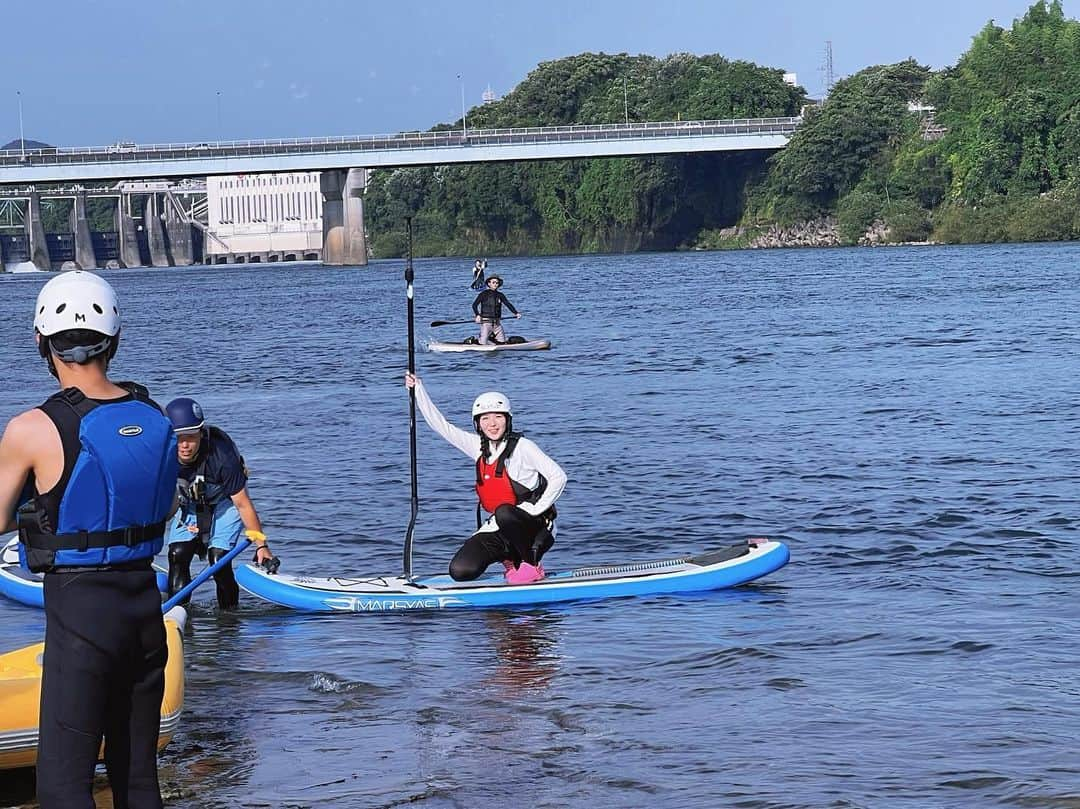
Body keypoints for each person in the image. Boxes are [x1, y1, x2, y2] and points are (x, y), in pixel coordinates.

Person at [0, 271, 178, 808]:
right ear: (115, 338)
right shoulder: (155, 417)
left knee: (63, 784)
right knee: (138, 777)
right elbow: (162, 507)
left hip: (82, 619)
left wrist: (40, 514)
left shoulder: (33, 428)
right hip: (145, 612)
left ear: (40, 341)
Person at [404, 373, 565, 584]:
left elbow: (558, 476)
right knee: (460, 570)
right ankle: (510, 559)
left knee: (504, 512)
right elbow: (441, 426)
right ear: (478, 424)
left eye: (498, 416)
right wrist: (418, 391)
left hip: (536, 530)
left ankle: (532, 565)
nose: (492, 423)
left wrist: (537, 508)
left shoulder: (524, 448)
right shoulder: (478, 448)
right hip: (501, 526)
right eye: (485, 418)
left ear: (507, 420)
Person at [164, 397, 276, 610]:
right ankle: (176, 619)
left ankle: (228, 621)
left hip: (225, 502)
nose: (185, 445)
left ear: (201, 432)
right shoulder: (161, 455)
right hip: (188, 502)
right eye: (179, 438)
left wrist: (262, 546)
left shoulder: (222, 455)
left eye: (191, 437)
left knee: (219, 560)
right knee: (177, 554)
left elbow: (243, 504)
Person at [471, 274, 521, 345]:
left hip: (497, 323)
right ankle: (474, 342)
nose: (495, 284)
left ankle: (491, 340)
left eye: (497, 283)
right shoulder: (483, 294)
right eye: (493, 282)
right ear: (489, 283)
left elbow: (508, 304)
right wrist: (477, 315)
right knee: (482, 344)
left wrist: (516, 313)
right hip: (486, 323)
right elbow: (474, 305)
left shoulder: (500, 295)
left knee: (502, 343)